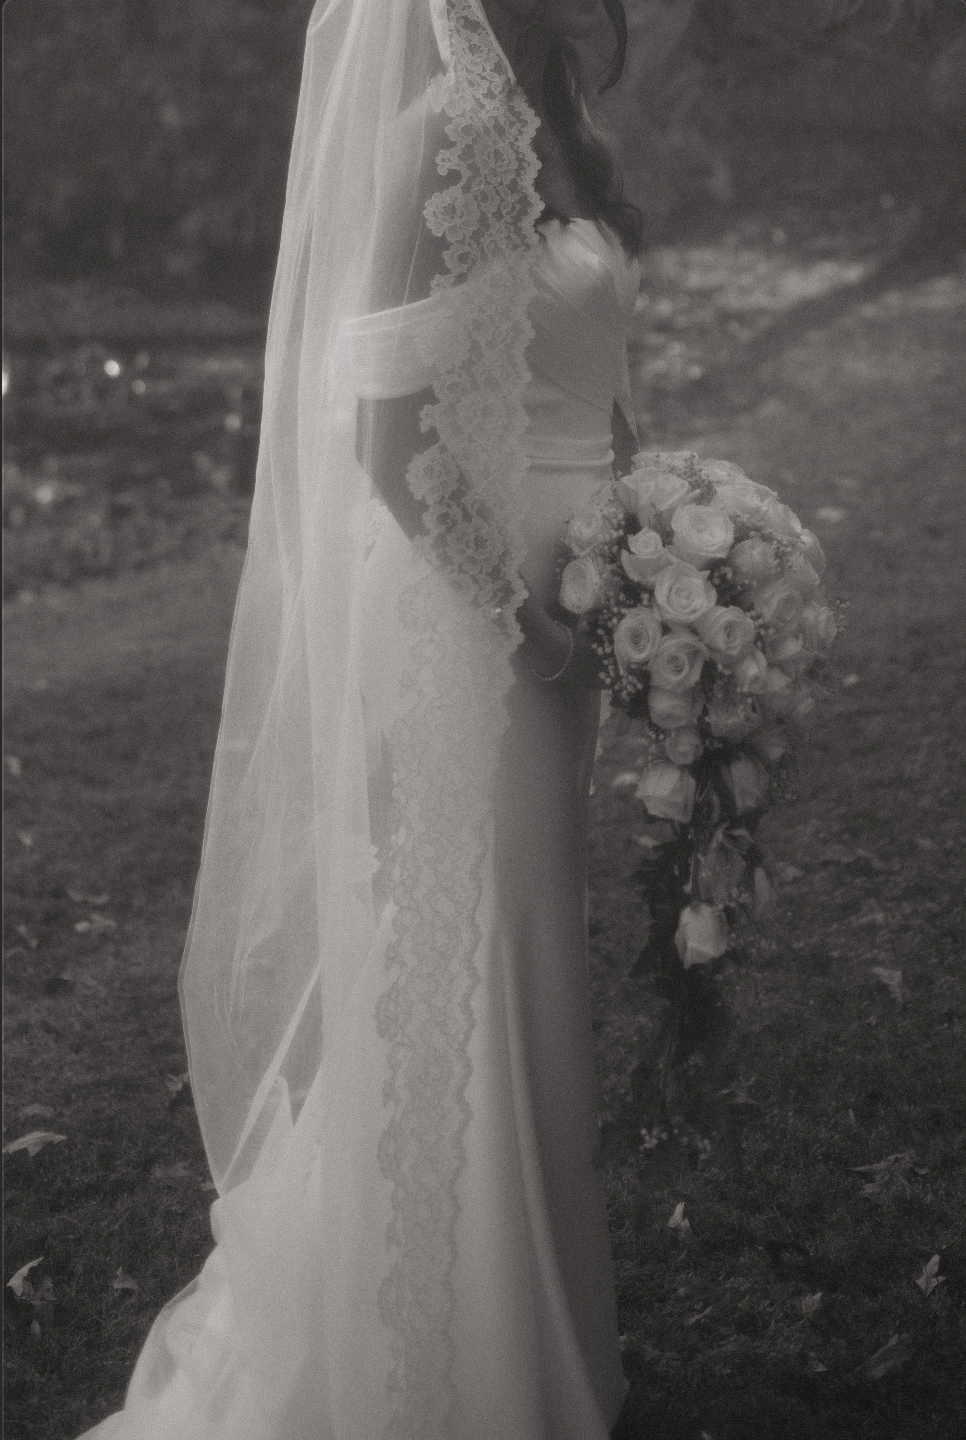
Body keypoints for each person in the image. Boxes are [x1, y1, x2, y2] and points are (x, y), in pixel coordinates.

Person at [79, 2, 645, 1436]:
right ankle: (431, 1350)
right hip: (475, 621)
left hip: (571, 593)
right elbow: (383, 432)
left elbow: (583, 377)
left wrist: (648, 533)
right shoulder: (445, 127)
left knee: (518, 939)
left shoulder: (555, 121)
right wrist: (522, 627)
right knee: (471, 940)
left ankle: (521, 1317)